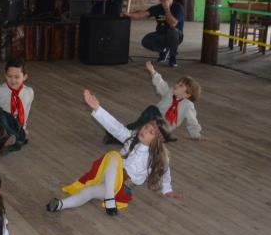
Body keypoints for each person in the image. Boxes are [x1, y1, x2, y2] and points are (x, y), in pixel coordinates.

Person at [46, 89, 178, 216]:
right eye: (146, 126)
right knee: (89, 190)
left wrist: (167, 189)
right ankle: (60, 204)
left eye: (151, 132)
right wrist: (97, 109)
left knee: (113, 156)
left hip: (122, 189)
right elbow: (115, 127)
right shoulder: (131, 139)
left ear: (157, 141)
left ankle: (110, 197)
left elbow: (165, 172)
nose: (144, 130)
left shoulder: (158, 157)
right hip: (111, 179)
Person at [106, 62, 201, 143]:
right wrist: (153, 72)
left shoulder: (188, 105)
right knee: (140, 128)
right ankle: (118, 136)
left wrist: (196, 135)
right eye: (178, 83)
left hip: (163, 130)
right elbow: (160, 84)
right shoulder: (169, 92)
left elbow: (192, 121)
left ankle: (121, 132)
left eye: (181, 85)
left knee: (152, 109)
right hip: (153, 125)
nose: (176, 85)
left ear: (187, 95)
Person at [129, 0, 184, 68]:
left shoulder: (177, 7)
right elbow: (142, 14)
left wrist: (167, 9)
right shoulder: (157, 8)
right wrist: (128, 14)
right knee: (146, 40)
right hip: (161, 35)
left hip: (176, 36)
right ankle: (163, 50)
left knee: (172, 30)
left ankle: (173, 57)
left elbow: (173, 23)